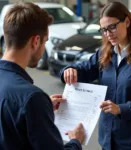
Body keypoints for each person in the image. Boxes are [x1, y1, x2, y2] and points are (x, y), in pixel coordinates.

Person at [60, 1, 131, 150]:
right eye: (104, 30)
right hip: (108, 140)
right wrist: (69, 70)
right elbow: (84, 70)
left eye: (112, 27)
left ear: (127, 22)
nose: (108, 34)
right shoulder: (104, 54)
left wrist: (121, 109)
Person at [0, 2, 85, 150]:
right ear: (36, 41)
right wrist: (75, 141)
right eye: (45, 41)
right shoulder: (32, 98)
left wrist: (40, 109)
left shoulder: (31, 101)